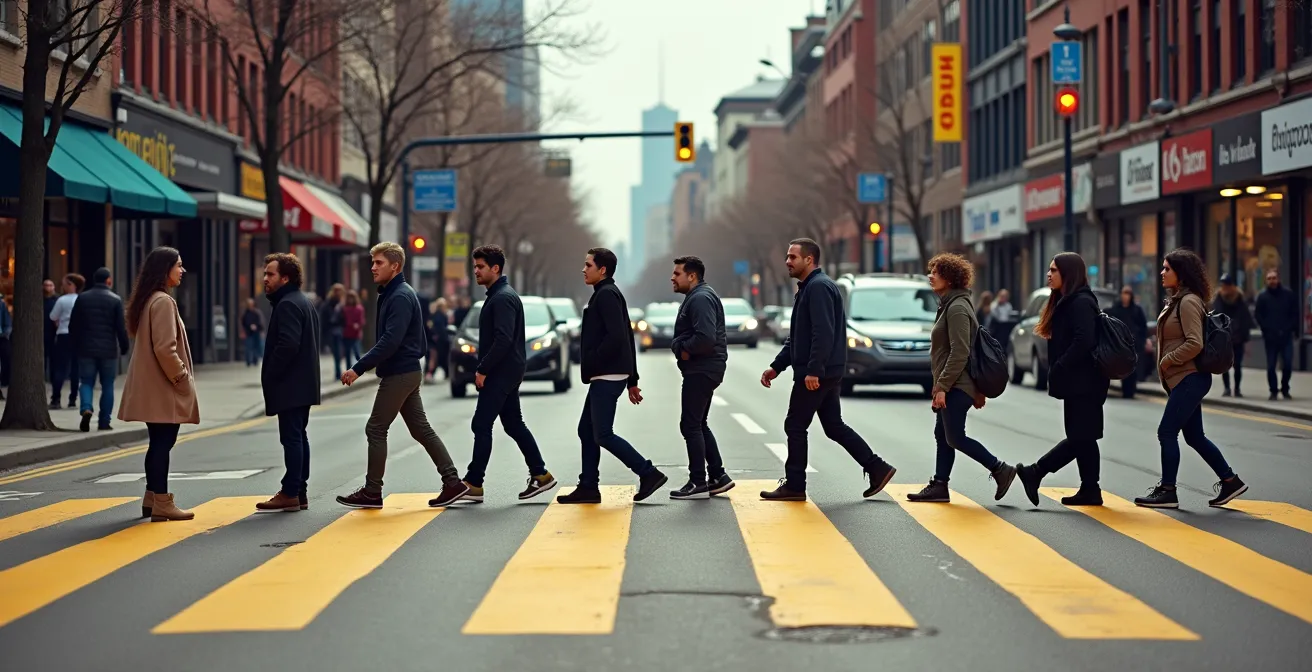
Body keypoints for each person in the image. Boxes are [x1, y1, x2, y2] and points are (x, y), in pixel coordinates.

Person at [758, 238, 897, 501]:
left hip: (818, 374)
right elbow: (799, 337)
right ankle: (877, 467)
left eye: (793, 257)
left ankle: (795, 486)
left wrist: (814, 370)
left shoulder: (818, 288)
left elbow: (823, 333)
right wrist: (777, 366)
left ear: (809, 260)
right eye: (787, 257)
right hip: (826, 371)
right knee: (833, 426)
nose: (787, 262)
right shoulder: (810, 288)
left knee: (795, 425)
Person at [336, 242, 468, 509]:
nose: (373, 268)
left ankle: (373, 491)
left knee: (375, 428)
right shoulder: (396, 293)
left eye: (379, 263)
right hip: (406, 371)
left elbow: (390, 341)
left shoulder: (399, 296)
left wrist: (357, 368)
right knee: (422, 430)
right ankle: (453, 482)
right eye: (372, 262)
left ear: (395, 266)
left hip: (400, 373)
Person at [1135, 249, 1247, 509]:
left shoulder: (1188, 302)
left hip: (1189, 378)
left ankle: (1167, 490)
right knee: (1194, 437)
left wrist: (1167, 360)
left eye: (1167, 269)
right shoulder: (1178, 300)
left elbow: (1195, 343)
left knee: (1166, 432)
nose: (1162, 273)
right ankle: (1230, 481)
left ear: (1181, 274)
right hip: (1185, 379)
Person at [557, 247, 668, 504]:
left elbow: (618, 337)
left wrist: (595, 359)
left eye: (588, 265)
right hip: (609, 375)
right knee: (587, 430)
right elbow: (629, 336)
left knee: (602, 433)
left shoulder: (606, 295)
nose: (583, 269)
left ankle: (648, 472)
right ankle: (588, 486)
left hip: (606, 376)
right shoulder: (607, 293)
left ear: (602, 269)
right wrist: (633, 379)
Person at [907, 254, 1016, 503]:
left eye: (936, 272)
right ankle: (940, 485)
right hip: (954, 383)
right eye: (931, 270)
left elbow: (961, 351)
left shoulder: (956, 308)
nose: (930, 276)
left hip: (955, 385)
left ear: (950, 278)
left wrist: (943, 386)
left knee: (955, 436)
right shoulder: (951, 304)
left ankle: (1000, 469)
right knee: (943, 434)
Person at [460, 244, 556, 502]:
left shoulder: (502, 298)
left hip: (501, 371)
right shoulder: (499, 294)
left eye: (481, 267)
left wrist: (483, 369)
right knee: (513, 424)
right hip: (508, 369)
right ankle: (541, 474)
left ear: (496, 268)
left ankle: (474, 482)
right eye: (475, 266)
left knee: (481, 423)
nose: (476, 271)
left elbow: (502, 340)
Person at [1015, 253, 1109, 507]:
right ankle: (1091, 489)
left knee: (1080, 436)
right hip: (1079, 381)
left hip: (1084, 382)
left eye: (1054, 270)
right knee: (1084, 437)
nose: (1049, 274)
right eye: (1049, 269)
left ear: (1068, 274)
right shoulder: (1071, 300)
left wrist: (1060, 365)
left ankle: (1036, 472)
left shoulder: (1080, 303)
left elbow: (1084, 340)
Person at [117, 247, 198, 522]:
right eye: (178, 265)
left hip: (154, 386)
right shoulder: (163, 301)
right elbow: (165, 349)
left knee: (158, 442)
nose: (182, 270)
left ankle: (152, 498)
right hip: (164, 387)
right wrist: (181, 378)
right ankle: (162, 501)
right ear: (165, 269)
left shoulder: (149, 299)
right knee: (163, 443)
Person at [256, 253, 322, 513]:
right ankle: (299, 492)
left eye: (270, 274)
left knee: (292, 438)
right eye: (265, 274)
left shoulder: (288, 304)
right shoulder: (301, 302)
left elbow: (288, 344)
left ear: (286, 277)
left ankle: (291, 491)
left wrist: (272, 373)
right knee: (298, 436)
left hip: (291, 384)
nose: (265, 279)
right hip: (301, 383)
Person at [667, 255, 734, 500]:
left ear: (692, 276)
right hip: (705, 368)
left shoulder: (701, 298)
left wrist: (682, 348)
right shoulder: (697, 296)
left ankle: (698, 482)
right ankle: (718, 477)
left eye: (677, 273)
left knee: (690, 424)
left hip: (702, 368)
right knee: (698, 423)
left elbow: (706, 338)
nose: (672, 278)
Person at [68, 268, 129, 432]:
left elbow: (73, 325)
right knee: (107, 385)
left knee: (86, 381)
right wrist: (124, 347)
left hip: (86, 349)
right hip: (108, 350)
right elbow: (120, 328)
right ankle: (104, 421)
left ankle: (86, 408)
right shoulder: (115, 300)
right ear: (108, 280)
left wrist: (75, 345)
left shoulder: (82, 298)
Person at [1255, 269, 1298, 400]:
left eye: (1274, 278)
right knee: (1271, 366)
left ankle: (1285, 388)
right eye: (1269, 278)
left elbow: (1295, 313)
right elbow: (1258, 315)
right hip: (1270, 338)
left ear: (1278, 279)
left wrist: (1290, 328)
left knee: (1288, 364)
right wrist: (1266, 329)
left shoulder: (1288, 294)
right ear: (1266, 281)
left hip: (1286, 336)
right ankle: (1273, 390)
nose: (1272, 281)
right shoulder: (1262, 297)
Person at [1213, 274, 1253, 398]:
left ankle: (1237, 388)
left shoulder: (1239, 299)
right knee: (1225, 365)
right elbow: (1215, 317)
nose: (1224, 287)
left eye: (1226, 285)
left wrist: (1244, 336)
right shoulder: (1218, 299)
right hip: (1224, 338)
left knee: (1238, 365)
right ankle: (1226, 388)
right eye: (1222, 285)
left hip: (1237, 338)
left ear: (1232, 286)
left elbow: (1245, 319)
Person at [48, 273, 84, 409]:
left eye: (64, 283)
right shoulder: (81, 299)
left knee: (60, 368)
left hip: (63, 334)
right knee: (75, 369)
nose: (62, 286)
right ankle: (72, 399)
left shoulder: (62, 300)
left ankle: (56, 399)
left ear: (71, 285)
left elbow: (53, 316)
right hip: (77, 336)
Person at [1106, 285, 1149, 399]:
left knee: (1133, 369)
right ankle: (1126, 390)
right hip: (1120, 344)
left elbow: (1143, 327)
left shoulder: (1136, 310)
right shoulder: (1116, 309)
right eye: (1124, 293)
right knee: (1123, 367)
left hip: (1134, 344)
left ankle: (1131, 391)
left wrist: (1143, 341)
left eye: (1128, 293)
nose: (1126, 296)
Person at [321, 283, 346, 378]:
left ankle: (340, 371)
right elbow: (325, 318)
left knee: (340, 352)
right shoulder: (329, 303)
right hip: (333, 330)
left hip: (342, 330)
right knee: (337, 352)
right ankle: (338, 372)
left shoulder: (343, 303)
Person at [341, 290, 365, 370]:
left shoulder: (359, 309)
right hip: (346, 333)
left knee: (357, 352)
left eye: (352, 298)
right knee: (347, 353)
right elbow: (343, 321)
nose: (350, 300)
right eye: (349, 298)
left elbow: (361, 320)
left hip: (356, 334)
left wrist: (358, 325)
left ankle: (360, 369)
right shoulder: (344, 309)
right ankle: (349, 369)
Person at [242, 298, 265, 367]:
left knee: (256, 346)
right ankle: (249, 361)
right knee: (249, 346)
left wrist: (259, 328)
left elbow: (261, 322)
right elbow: (244, 322)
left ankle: (255, 360)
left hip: (256, 331)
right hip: (248, 332)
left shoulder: (257, 312)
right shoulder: (245, 313)